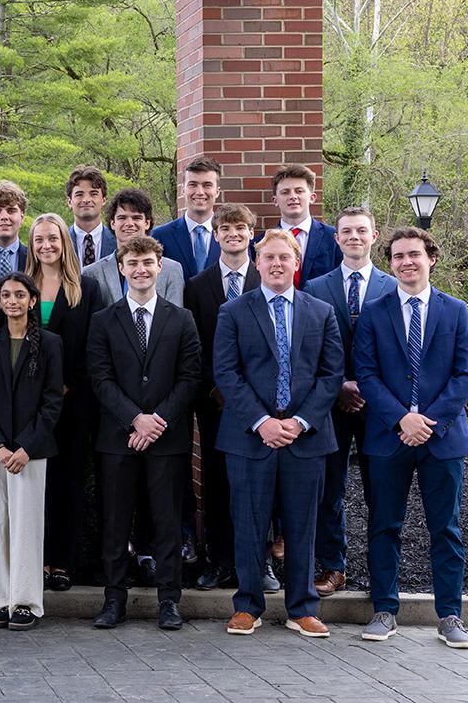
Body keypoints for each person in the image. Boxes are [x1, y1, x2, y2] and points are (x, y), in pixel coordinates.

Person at [215, 229, 342, 639]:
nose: (275, 264)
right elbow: (227, 373)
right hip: (250, 437)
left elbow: (330, 374)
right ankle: (247, 605)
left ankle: (302, 607)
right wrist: (262, 422)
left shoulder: (320, 312)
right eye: (267, 257)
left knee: (303, 525)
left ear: (296, 263)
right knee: (248, 523)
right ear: (257, 263)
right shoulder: (233, 311)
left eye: (283, 257)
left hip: (305, 437)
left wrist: (299, 421)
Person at [354, 227, 468, 647]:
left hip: (443, 438)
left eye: (414, 255)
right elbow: (366, 374)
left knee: (447, 529)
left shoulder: (456, 310)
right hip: (389, 438)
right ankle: (384, 610)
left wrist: (428, 421)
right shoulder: (374, 311)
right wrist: (401, 419)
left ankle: (450, 616)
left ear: (431, 259)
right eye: (399, 256)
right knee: (384, 525)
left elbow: (465, 375)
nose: (407, 262)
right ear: (390, 264)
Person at [87, 236, 201, 631]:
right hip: (117, 440)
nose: (140, 269)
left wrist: (156, 421)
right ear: (121, 268)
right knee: (116, 524)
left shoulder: (181, 319)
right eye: (132, 262)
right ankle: (113, 601)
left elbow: (190, 378)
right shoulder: (103, 320)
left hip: (167, 440)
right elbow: (99, 378)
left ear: (159, 267)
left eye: (147, 262)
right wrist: (135, 419)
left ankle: (169, 601)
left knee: (167, 523)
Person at [304, 206, 396, 597]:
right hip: (330, 403)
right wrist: (340, 384)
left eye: (362, 230)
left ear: (374, 236)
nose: (354, 237)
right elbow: (309, 350)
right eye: (346, 231)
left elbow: (399, 352)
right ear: (336, 238)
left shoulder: (394, 287)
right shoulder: (316, 287)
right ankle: (333, 565)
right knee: (330, 488)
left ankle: (382, 570)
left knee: (382, 489)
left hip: (381, 408)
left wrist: (368, 388)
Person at [0, 272, 63, 631]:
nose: (13, 301)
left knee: (26, 525)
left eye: (20, 295)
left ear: (32, 301)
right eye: (6, 295)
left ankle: (25, 600)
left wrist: (27, 446)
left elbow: (53, 400)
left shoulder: (51, 343)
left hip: (31, 450)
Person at [25, 213, 105, 592]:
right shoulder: (21, 288)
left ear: (64, 243)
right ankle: (35, 560)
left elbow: (95, 346)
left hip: (74, 402)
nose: (46, 246)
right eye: (39, 239)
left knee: (69, 482)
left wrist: (69, 385)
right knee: (35, 484)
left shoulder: (85, 289)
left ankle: (62, 562)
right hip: (30, 405)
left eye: (53, 239)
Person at [184, 203, 260, 591]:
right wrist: (217, 389)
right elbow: (194, 345)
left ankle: (257, 563)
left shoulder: (267, 278)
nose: (233, 234)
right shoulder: (198, 286)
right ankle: (219, 560)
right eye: (225, 228)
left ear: (252, 233)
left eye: (240, 228)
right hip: (214, 402)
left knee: (258, 484)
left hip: (262, 404)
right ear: (216, 235)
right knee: (215, 482)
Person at [83, 188, 185, 305]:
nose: (129, 224)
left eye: (136, 218)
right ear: (112, 223)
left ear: (147, 223)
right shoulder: (92, 274)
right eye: (122, 218)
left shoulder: (172, 270)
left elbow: (176, 318)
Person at [266, 164, 342, 289]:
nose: (293, 196)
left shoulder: (333, 239)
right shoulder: (262, 242)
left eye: (299, 191)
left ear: (312, 197)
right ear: (275, 200)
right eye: (285, 192)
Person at [151, 156, 222, 283]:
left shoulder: (231, 237)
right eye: (193, 185)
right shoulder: (160, 236)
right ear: (183, 190)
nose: (200, 192)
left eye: (207, 185)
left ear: (217, 192)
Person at [65, 165, 114, 268]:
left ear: (104, 200)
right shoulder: (60, 243)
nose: (86, 199)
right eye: (79, 194)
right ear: (69, 201)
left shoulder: (118, 243)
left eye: (93, 194)